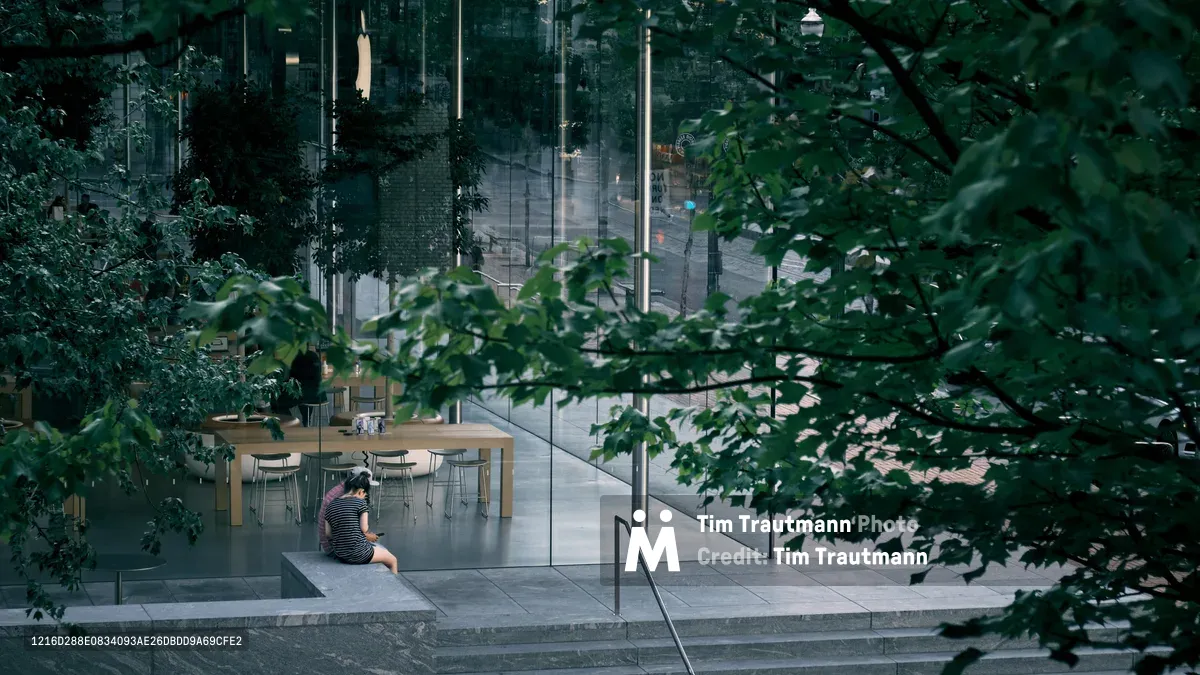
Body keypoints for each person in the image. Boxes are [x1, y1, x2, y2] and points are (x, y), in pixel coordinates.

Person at [325, 472, 398, 573]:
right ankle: (394, 588)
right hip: (359, 554)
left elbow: (328, 534)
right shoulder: (360, 503)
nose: (365, 497)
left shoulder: (331, 505)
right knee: (392, 560)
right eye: (365, 495)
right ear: (361, 491)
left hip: (340, 554)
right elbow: (364, 528)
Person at [317, 466, 376, 556]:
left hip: (332, 544)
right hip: (338, 548)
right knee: (389, 558)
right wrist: (366, 536)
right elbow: (346, 532)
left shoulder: (341, 493)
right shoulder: (346, 499)